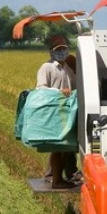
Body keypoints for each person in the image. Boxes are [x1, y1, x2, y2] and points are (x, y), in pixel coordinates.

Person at [36, 34, 79, 189]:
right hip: (53, 110)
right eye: (58, 49)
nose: (61, 51)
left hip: (66, 110)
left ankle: (58, 176)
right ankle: (55, 179)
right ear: (51, 51)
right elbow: (40, 89)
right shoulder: (47, 67)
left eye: (64, 48)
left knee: (64, 145)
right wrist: (59, 92)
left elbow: (75, 86)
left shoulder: (68, 68)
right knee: (57, 146)